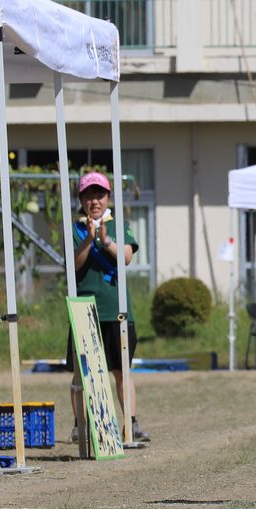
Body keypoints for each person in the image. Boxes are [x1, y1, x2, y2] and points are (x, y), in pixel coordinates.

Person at [66, 170, 149, 443]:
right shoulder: (74, 227)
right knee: (82, 373)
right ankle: (82, 425)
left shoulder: (116, 224)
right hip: (84, 308)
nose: (95, 201)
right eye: (89, 195)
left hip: (117, 309)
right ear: (81, 198)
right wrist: (89, 240)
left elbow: (125, 257)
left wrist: (105, 240)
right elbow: (73, 265)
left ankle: (131, 423)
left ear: (108, 197)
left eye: (99, 194)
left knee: (121, 370)